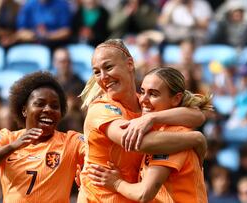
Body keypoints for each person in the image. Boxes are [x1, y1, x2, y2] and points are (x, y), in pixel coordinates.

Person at [77, 39, 207, 202]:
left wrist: (153, 117)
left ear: (130, 64)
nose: (103, 77)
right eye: (96, 72)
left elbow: (198, 115)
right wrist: (196, 138)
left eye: (108, 67)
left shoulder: (147, 108)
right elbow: (134, 140)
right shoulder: (101, 108)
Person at [0, 71, 85, 202]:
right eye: (40, 104)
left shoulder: (71, 141)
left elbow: (98, 150)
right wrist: (14, 146)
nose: (48, 109)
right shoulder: (6, 138)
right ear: (24, 110)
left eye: (55, 106)